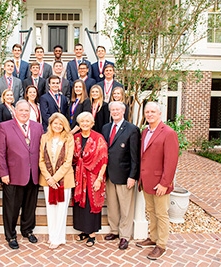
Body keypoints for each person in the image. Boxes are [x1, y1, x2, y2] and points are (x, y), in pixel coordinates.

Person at [0, 100, 44, 250]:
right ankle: (10, 235)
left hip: (33, 174)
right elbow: (0, 152)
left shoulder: (38, 127)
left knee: (30, 206)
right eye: (21, 110)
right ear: (15, 111)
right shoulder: (5, 127)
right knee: (11, 207)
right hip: (13, 175)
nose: (24, 113)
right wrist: (3, 173)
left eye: (26, 111)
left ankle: (27, 230)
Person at [136, 102, 179, 260]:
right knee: (151, 211)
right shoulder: (145, 132)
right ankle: (153, 238)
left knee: (161, 214)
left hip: (160, 182)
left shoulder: (168, 133)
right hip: (147, 181)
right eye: (147, 112)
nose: (149, 114)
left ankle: (161, 244)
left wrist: (165, 183)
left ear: (160, 114)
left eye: (153, 111)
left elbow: (171, 161)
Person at [101, 101, 140, 250]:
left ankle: (124, 236)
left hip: (125, 175)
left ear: (123, 111)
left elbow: (134, 156)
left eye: (118, 109)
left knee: (125, 207)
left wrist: (132, 176)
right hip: (109, 174)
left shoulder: (132, 129)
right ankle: (114, 230)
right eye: (113, 110)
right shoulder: (105, 128)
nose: (115, 112)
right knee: (112, 205)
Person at [39, 113, 74, 249]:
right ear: (51, 124)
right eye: (55, 123)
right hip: (48, 179)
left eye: (60, 124)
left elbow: (68, 161)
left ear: (64, 125)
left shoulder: (68, 138)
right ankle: (52, 235)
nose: (58, 126)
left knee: (61, 209)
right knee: (51, 208)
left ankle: (59, 238)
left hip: (64, 179)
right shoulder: (44, 138)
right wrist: (49, 178)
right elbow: (41, 160)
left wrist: (55, 178)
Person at [72, 111, 108, 247]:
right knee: (80, 203)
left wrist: (99, 178)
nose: (85, 124)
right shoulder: (75, 138)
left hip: (94, 176)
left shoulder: (98, 138)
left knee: (91, 203)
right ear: (79, 124)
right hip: (79, 177)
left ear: (92, 123)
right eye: (82, 122)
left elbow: (104, 159)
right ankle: (84, 231)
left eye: (88, 121)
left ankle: (92, 234)